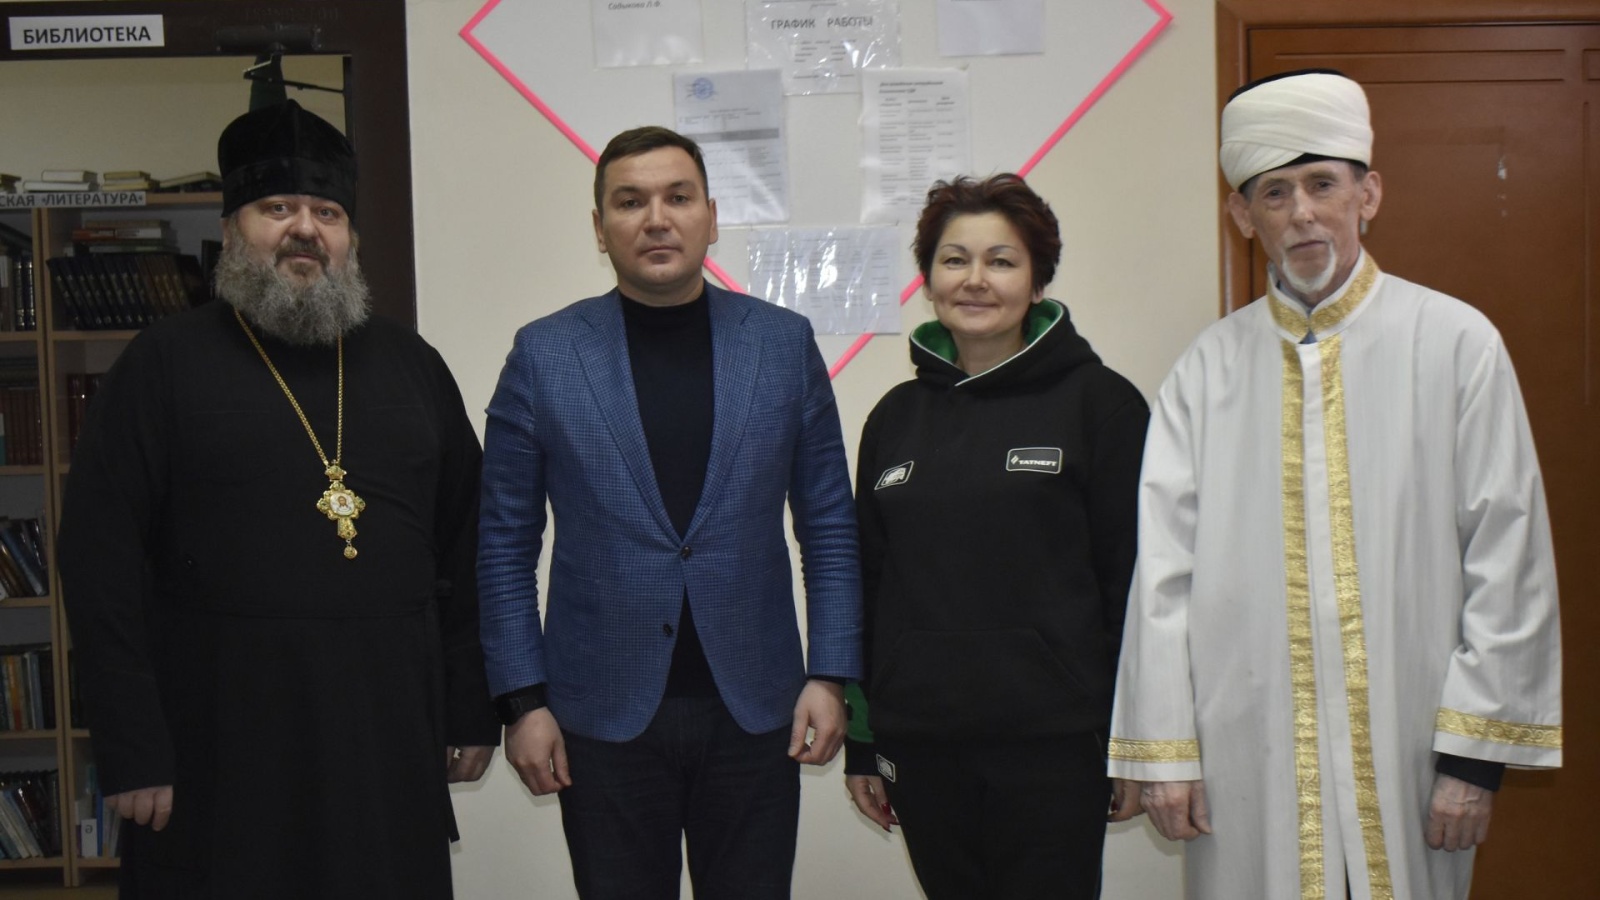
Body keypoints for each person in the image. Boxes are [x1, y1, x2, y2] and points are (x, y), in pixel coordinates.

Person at [1107, 70, 1562, 900]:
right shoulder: (1206, 372)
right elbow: (1163, 577)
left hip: (1414, 750)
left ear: (1368, 194)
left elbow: (1508, 552)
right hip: (1247, 760)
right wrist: (1167, 752)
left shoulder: (1455, 344)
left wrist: (1473, 759)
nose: (1302, 214)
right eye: (1274, 193)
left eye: (1322, 184)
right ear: (1242, 216)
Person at [56, 99, 499, 899]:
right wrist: (131, 745)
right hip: (218, 732)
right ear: (233, 231)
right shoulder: (161, 364)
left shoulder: (412, 365)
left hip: (385, 729)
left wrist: (469, 704)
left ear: (350, 239)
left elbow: (468, 544)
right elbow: (99, 562)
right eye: (278, 208)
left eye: (327, 213)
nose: (305, 230)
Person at [477, 125, 861, 899]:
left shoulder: (782, 345)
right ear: (600, 228)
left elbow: (828, 524)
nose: (656, 218)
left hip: (756, 709)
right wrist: (523, 702)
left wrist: (831, 674)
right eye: (630, 202)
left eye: (678, 198)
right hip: (599, 716)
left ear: (710, 218)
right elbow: (502, 544)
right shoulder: (545, 355)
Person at [842, 174, 1148, 899]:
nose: (975, 279)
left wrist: (1138, 742)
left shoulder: (1102, 405)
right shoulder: (894, 417)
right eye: (954, 260)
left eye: (1001, 261)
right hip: (922, 742)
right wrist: (863, 741)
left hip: (1056, 746)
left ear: (1037, 282)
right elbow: (866, 584)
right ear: (928, 281)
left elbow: (1133, 586)